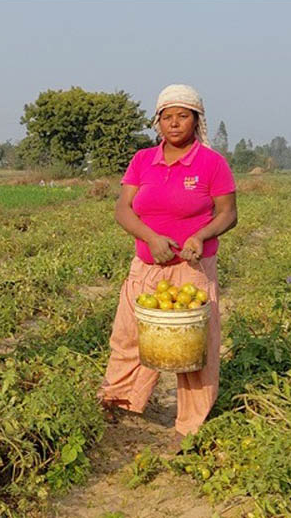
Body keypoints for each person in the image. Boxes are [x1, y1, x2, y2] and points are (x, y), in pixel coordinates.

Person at [99, 84, 238, 446]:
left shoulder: (211, 163)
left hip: (191, 270)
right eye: (167, 117)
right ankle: (121, 407)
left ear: (196, 120)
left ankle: (189, 426)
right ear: (157, 122)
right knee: (129, 337)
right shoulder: (143, 160)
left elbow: (228, 213)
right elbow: (122, 209)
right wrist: (150, 238)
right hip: (146, 267)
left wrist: (201, 236)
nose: (174, 123)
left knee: (194, 348)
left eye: (183, 116)